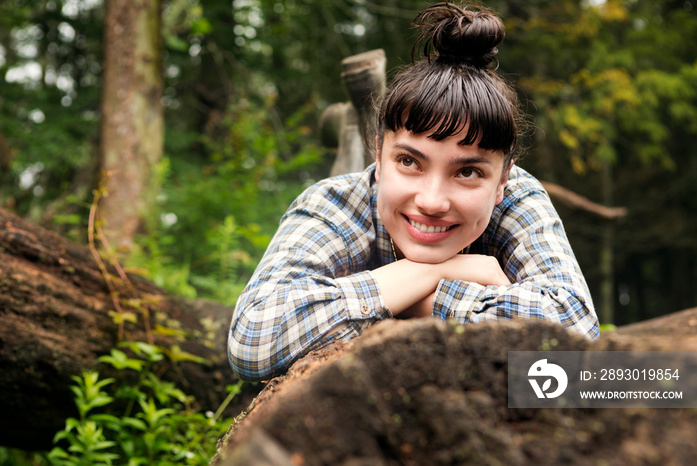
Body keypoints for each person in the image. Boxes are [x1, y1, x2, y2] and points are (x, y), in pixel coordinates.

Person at [228, 2, 599, 382]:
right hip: (363, 190)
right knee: (348, 169)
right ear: (379, 155)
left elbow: (575, 334)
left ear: (503, 181)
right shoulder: (332, 203)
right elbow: (253, 340)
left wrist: (422, 296)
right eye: (409, 161)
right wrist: (444, 272)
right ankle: (353, 131)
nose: (432, 201)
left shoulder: (519, 196)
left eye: (468, 171)